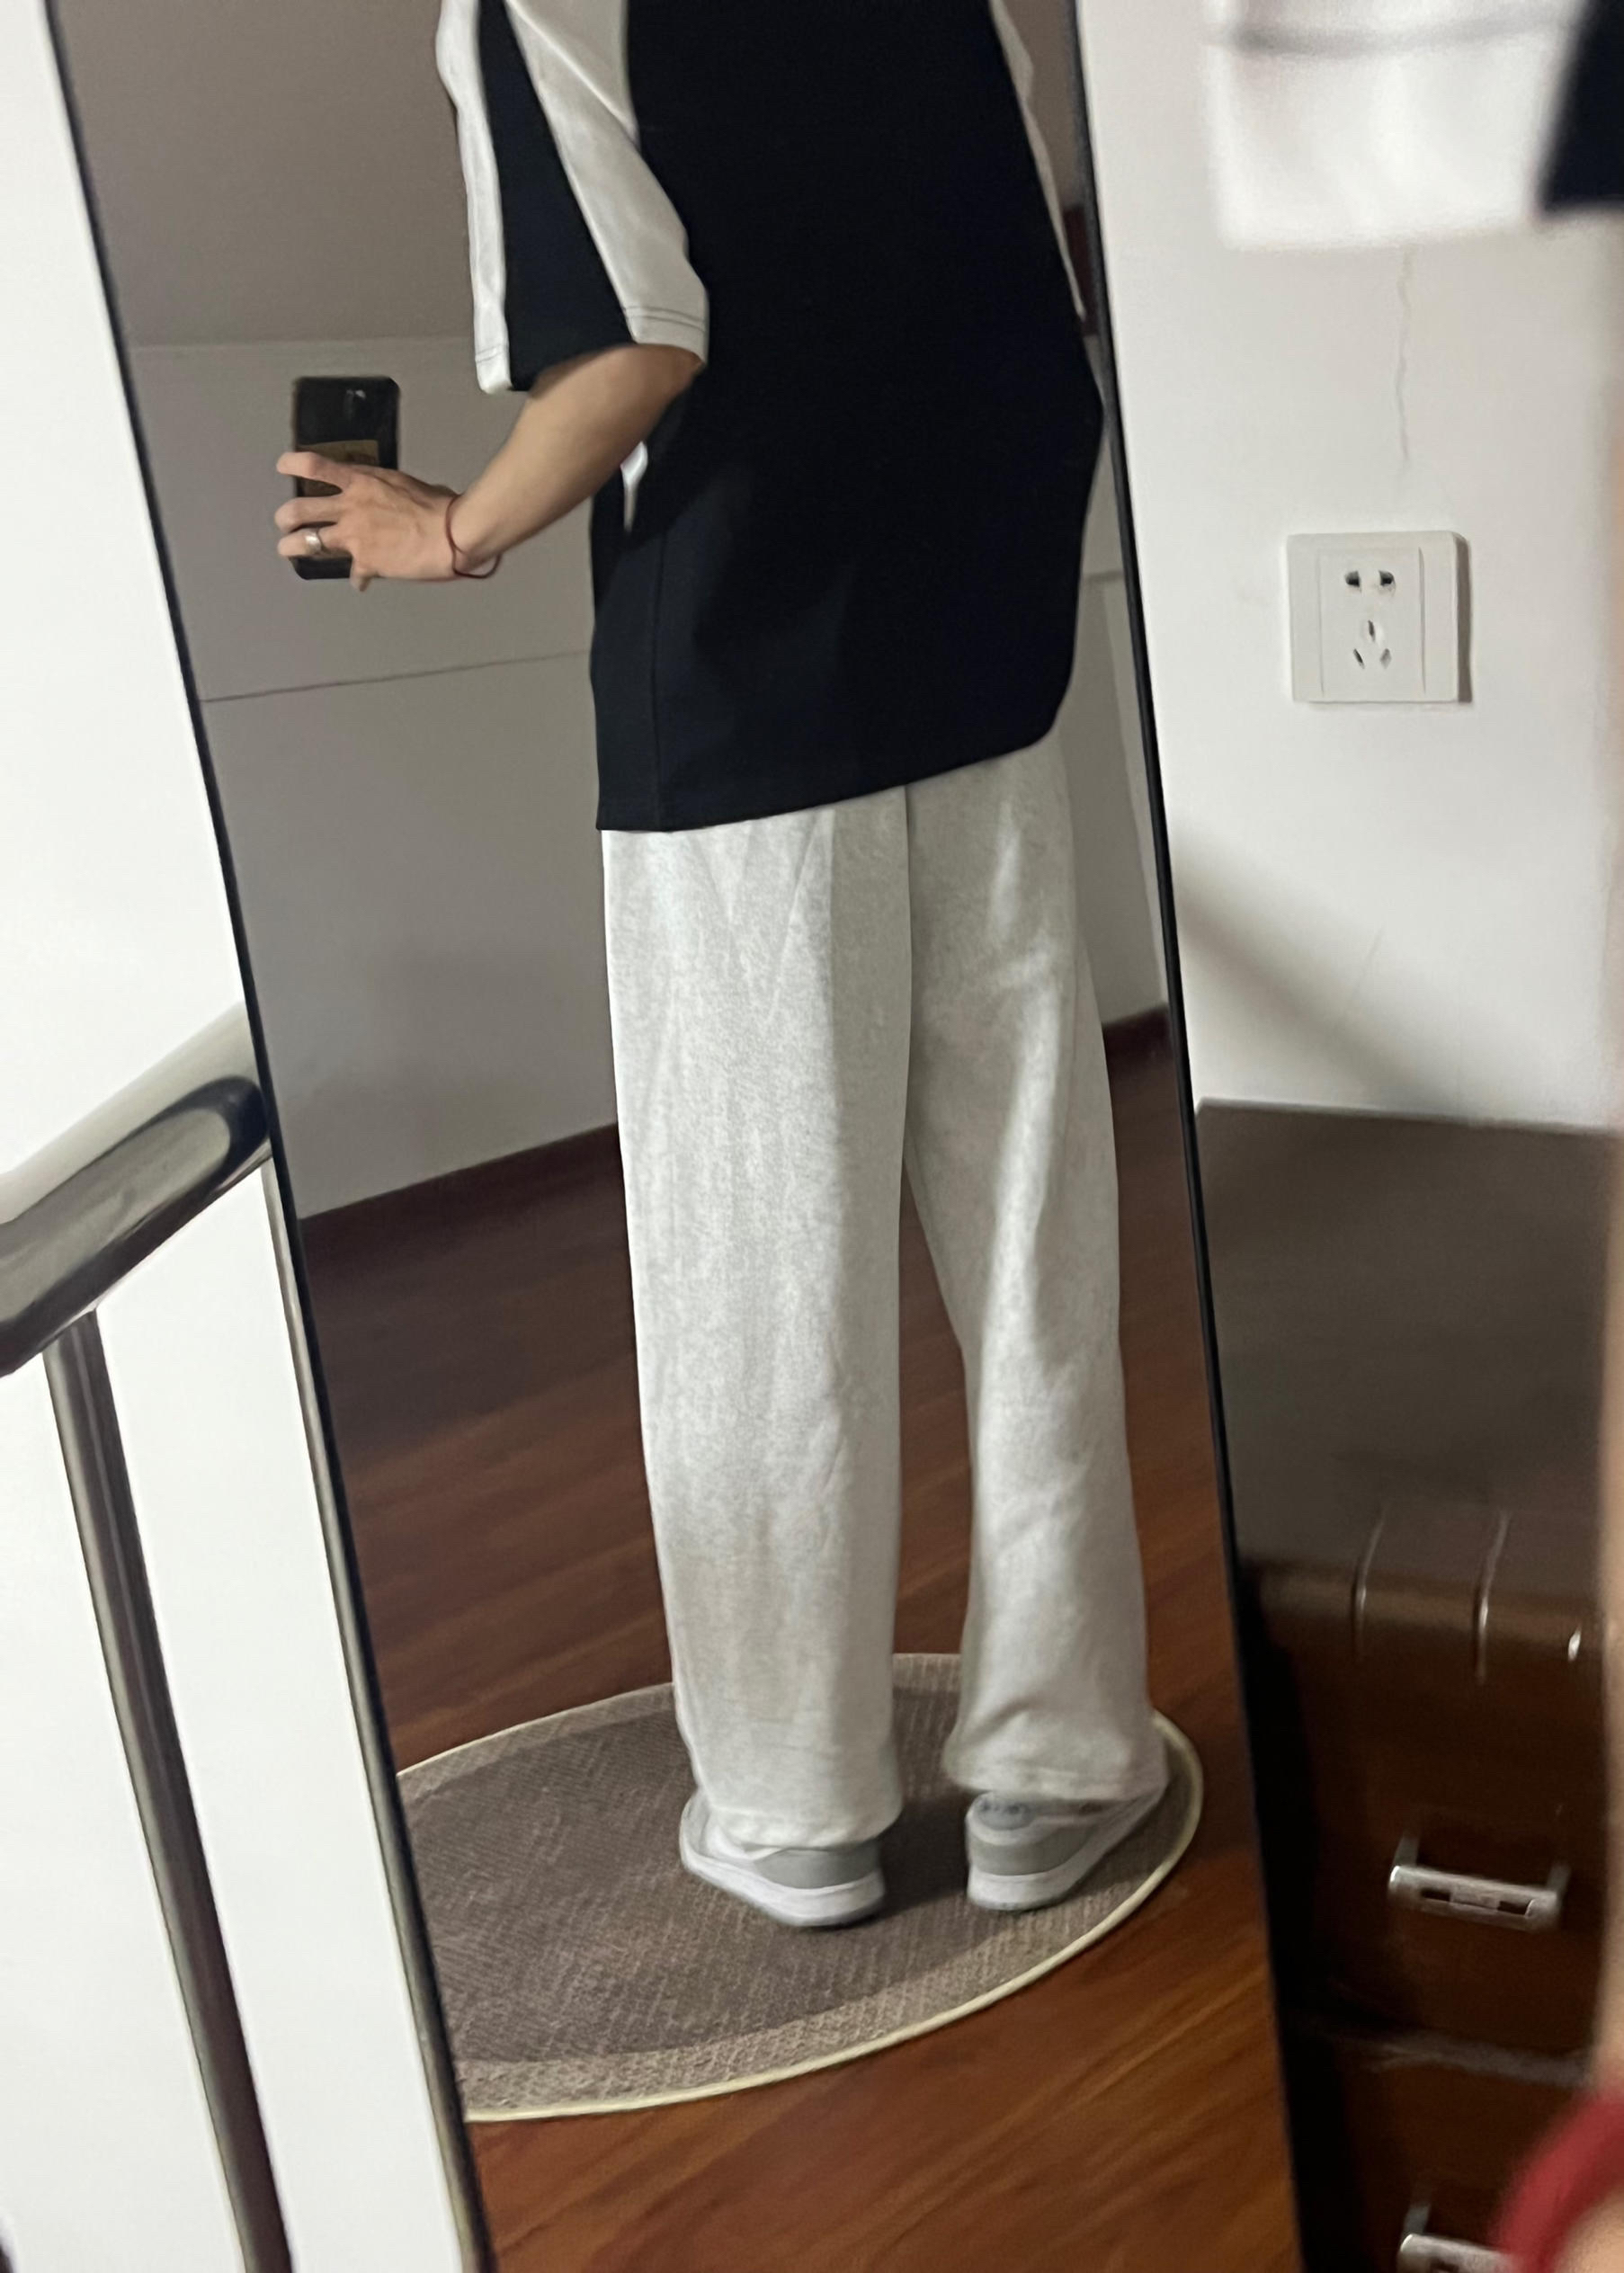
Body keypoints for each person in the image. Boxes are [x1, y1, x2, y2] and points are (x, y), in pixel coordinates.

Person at [273, 0, 1164, 1929]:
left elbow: (634, 347)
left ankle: (793, 1801)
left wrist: (450, 531)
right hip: (985, 674)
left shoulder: (545, 6)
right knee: (1033, 1235)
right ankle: (1063, 1756)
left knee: (759, 1260)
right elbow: (1042, 319)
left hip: (744, 708)